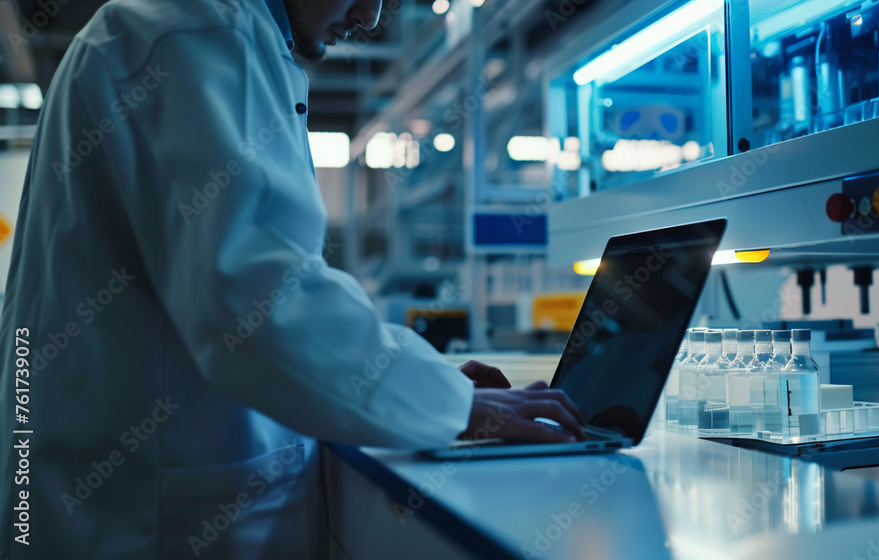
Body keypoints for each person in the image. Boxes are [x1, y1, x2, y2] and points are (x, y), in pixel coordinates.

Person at [0, 0, 584, 557]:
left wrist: (427, 383)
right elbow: (263, 308)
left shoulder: (195, 32)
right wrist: (455, 406)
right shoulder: (201, 30)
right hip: (143, 520)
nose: (369, 17)